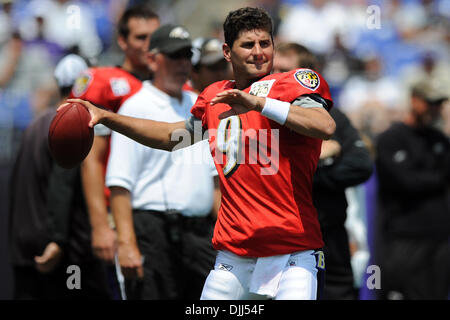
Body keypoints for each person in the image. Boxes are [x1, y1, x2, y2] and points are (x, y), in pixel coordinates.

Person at [67, 6, 336, 300]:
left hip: (292, 254)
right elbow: (172, 137)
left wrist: (260, 103)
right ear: (227, 52)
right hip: (233, 257)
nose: (258, 52)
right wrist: (108, 117)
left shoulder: (291, 84)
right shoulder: (215, 97)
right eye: (248, 45)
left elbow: (324, 125)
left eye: (265, 43)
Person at [106, 24, 219, 300]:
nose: (183, 63)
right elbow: (120, 183)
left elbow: (215, 177)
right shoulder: (136, 106)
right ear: (153, 59)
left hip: (200, 234)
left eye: (186, 55)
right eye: (174, 56)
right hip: (153, 231)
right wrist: (127, 243)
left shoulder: (199, 103)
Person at [8, 54, 113, 299]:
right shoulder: (72, 126)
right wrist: (57, 239)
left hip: (25, 247)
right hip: (60, 251)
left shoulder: (35, 125)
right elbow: (61, 184)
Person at [274, 42, 373, 299]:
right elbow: (268, 171)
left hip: (330, 235)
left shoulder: (332, 117)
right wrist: (320, 158)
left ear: (309, 75)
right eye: (276, 71)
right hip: (283, 238)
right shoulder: (263, 116)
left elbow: (361, 165)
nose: (280, 78)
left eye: (288, 71)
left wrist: (311, 173)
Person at [69, 5, 159, 269]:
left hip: (158, 211)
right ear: (122, 41)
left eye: (154, 38)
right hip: (117, 208)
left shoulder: (177, 84)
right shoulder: (104, 82)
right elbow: (91, 159)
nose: (149, 46)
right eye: (141, 38)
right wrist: (100, 225)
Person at [375, 80, 450, 300]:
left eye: (439, 104)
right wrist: (438, 177)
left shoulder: (440, 140)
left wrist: (427, 178)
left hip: (439, 238)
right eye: (430, 103)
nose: (434, 109)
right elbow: (406, 182)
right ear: (414, 100)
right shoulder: (391, 138)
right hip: (402, 238)